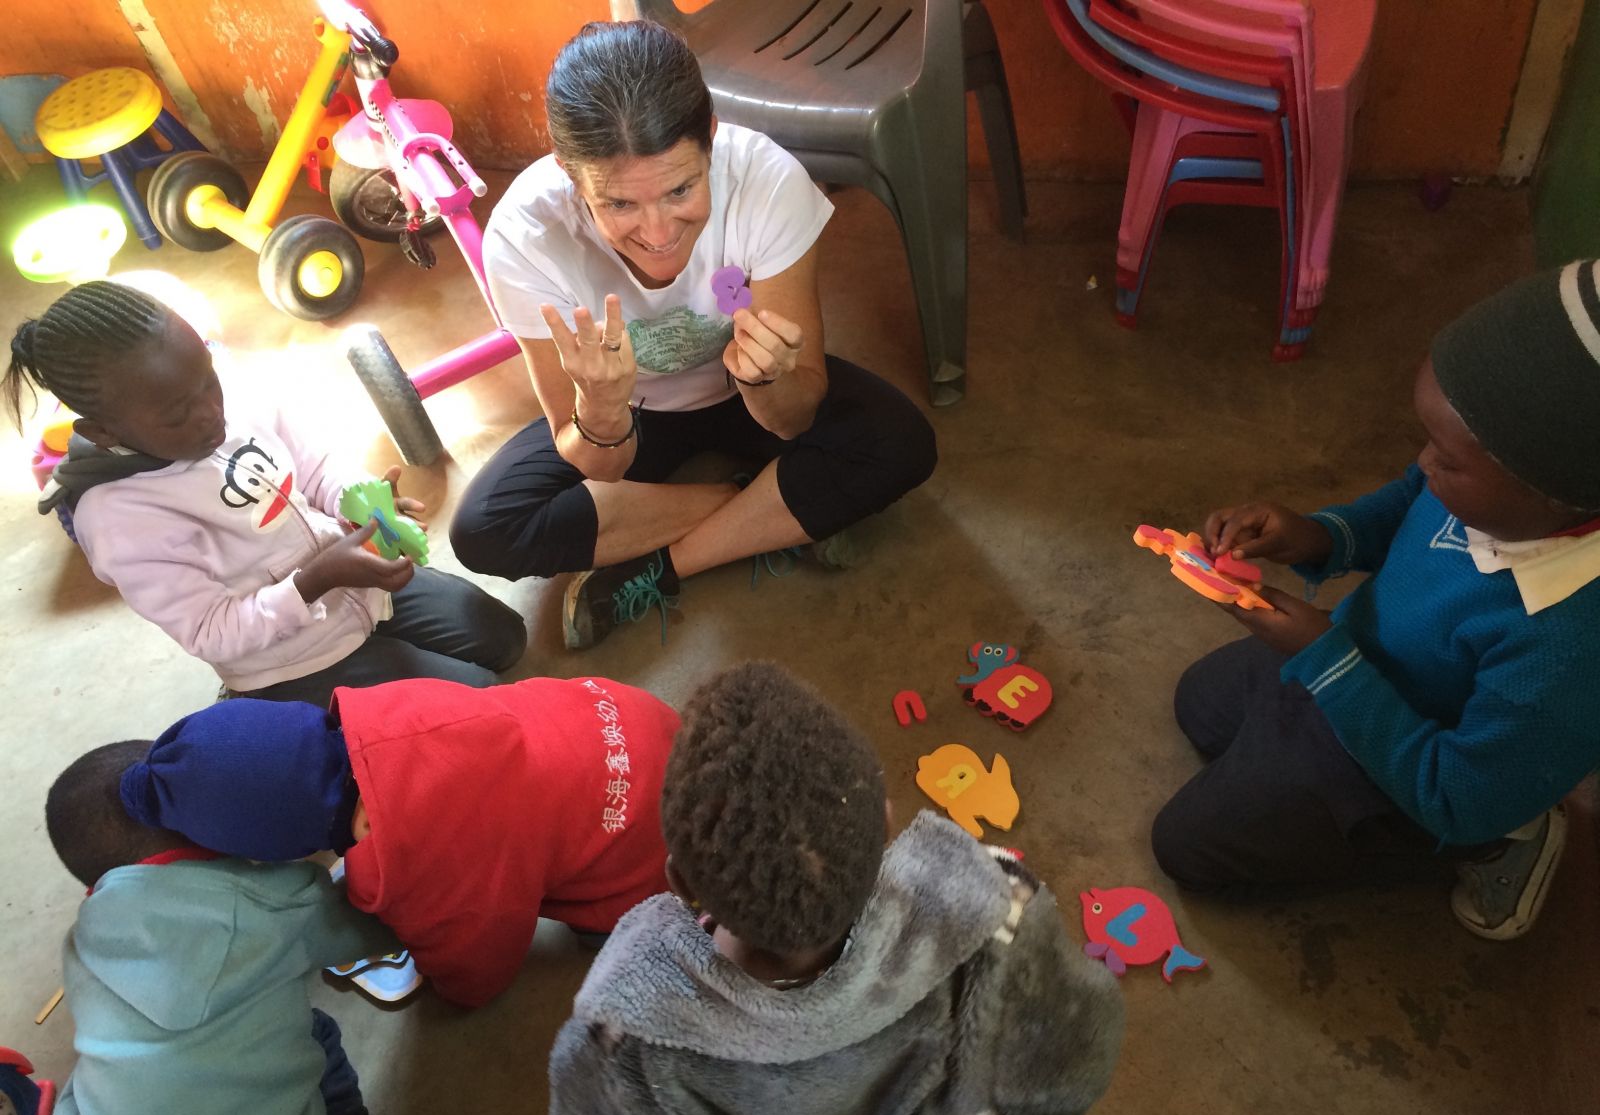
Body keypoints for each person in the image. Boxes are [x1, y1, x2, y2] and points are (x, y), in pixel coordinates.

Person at [548, 662, 1124, 1115]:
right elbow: (1066, 1076)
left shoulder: (628, 1026)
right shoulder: (993, 913)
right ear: (887, 823)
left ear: (678, 880)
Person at [451, 21, 938, 649]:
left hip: (746, 400)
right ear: (571, 176)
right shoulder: (525, 236)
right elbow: (598, 459)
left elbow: (793, 419)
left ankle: (663, 565)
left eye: (681, 189)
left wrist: (764, 380)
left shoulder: (766, 180)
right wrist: (601, 413)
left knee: (902, 443)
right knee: (486, 528)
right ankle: (765, 506)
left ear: (710, 138)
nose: (657, 233)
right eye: (620, 205)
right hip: (634, 415)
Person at [1152, 261, 1600, 940]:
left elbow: (1452, 793)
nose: (1423, 464)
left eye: (1448, 460)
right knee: (1199, 705)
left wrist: (1324, 659)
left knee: (1184, 847)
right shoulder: (1500, 491)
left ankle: (1504, 840)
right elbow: (1404, 503)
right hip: (1358, 662)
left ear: (1552, 495)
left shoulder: (1566, 653)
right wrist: (1312, 535)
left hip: (1417, 767)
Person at [5, 280, 527, 707]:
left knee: (506, 639)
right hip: (288, 656)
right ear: (105, 433)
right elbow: (211, 631)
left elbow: (311, 462)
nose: (212, 412)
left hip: (358, 588)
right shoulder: (120, 520)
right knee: (483, 699)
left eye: (208, 381)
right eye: (178, 415)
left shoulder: (236, 391)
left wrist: (364, 504)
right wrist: (316, 580)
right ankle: (260, 703)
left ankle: (376, 647)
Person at [117, 674, 679, 1008]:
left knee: (610, 926)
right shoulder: (388, 709)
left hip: (656, 833)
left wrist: (455, 985)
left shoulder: (420, 860)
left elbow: (482, 959)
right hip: (630, 717)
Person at [43, 741, 399, 1115]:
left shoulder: (82, 941)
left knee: (96, 1081)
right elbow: (378, 927)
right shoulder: (278, 901)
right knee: (318, 1032)